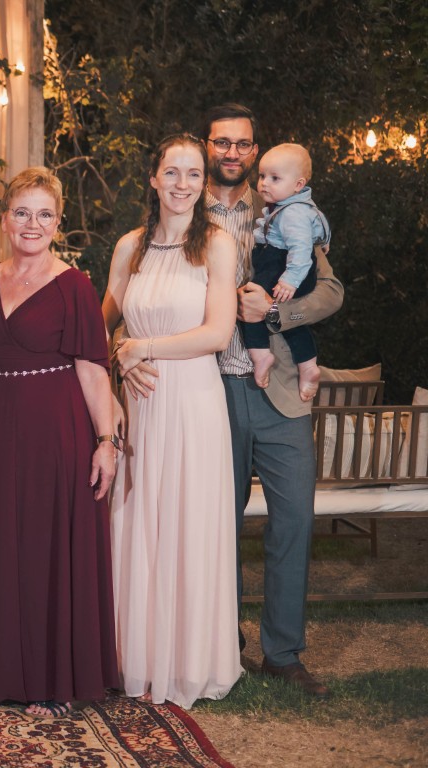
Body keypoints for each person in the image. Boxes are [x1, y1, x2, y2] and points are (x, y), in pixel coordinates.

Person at [198, 104, 340, 695]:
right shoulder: (186, 210)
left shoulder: (283, 207)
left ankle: (282, 653)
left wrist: (276, 314)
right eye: (221, 142)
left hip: (280, 392)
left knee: (294, 522)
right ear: (207, 146)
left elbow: (330, 291)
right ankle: (219, 644)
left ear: (255, 151)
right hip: (210, 391)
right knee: (215, 523)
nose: (232, 152)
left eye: (242, 144)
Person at [0, 167, 119, 718]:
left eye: (44, 214)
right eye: (21, 213)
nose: (31, 224)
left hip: (57, 433)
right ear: (4, 219)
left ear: (58, 223)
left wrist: (105, 442)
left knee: (46, 548)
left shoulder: (75, 285)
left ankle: (50, 676)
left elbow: (93, 369)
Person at [103, 134, 241, 709]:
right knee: (139, 522)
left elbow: (217, 333)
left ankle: (188, 663)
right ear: (154, 178)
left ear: (203, 183)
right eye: (172, 172)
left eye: (193, 174)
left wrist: (144, 348)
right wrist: (120, 352)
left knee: (188, 523)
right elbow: (100, 325)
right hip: (142, 407)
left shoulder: (217, 246)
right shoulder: (129, 247)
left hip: (193, 403)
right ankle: (134, 656)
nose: (182, 184)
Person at [240, 142, 330, 400]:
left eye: (275, 178)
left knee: (249, 303)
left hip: (281, 265)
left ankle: (261, 355)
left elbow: (300, 249)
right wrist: (324, 241)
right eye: (262, 176)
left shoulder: (292, 213)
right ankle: (308, 365)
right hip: (285, 265)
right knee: (290, 324)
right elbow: (319, 229)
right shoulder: (300, 206)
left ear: (298, 185)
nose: (264, 183)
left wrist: (289, 280)